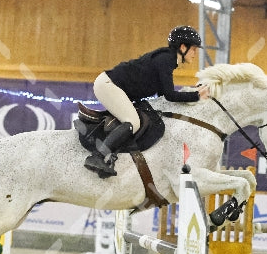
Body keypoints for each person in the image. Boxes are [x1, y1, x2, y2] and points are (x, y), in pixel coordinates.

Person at [84, 25, 210, 177]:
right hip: (108, 85)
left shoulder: (167, 59)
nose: (195, 54)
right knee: (133, 122)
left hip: (110, 84)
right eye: (194, 49)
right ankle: (96, 157)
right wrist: (195, 96)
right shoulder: (166, 59)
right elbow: (170, 95)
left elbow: (164, 95)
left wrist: (192, 95)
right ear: (183, 47)